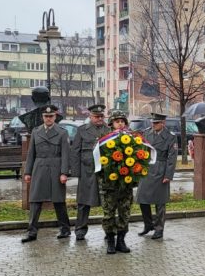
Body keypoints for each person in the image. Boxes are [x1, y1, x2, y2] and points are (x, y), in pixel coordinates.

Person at [21, 105, 71, 243]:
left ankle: (65, 229)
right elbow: (31, 154)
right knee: (35, 200)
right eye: (46, 116)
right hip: (39, 168)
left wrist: (64, 173)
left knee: (59, 200)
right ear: (42, 117)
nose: (48, 118)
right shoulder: (36, 132)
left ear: (55, 117)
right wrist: (28, 172)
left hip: (56, 168)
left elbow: (66, 154)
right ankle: (31, 231)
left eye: (51, 116)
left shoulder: (62, 132)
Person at [69, 103, 110, 241]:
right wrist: (76, 172)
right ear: (90, 116)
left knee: (108, 203)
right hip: (87, 172)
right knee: (83, 203)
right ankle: (80, 230)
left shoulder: (108, 130)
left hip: (105, 173)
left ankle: (108, 230)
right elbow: (75, 152)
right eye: (96, 116)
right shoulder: (82, 130)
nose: (99, 119)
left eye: (101, 116)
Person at [136, 113, 178, 240]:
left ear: (163, 123)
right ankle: (148, 225)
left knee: (160, 202)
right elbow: (142, 151)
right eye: (152, 123)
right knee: (142, 199)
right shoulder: (147, 133)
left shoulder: (170, 137)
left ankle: (159, 229)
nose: (153, 125)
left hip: (161, 168)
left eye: (156, 123)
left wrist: (168, 175)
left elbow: (172, 157)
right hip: (147, 169)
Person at [101, 109, 134, 254]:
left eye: (122, 121)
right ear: (111, 123)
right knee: (108, 214)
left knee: (124, 213)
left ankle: (121, 240)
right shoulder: (105, 139)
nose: (120, 124)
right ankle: (110, 241)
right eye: (117, 121)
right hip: (109, 184)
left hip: (125, 184)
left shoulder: (131, 138)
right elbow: (98, 161)